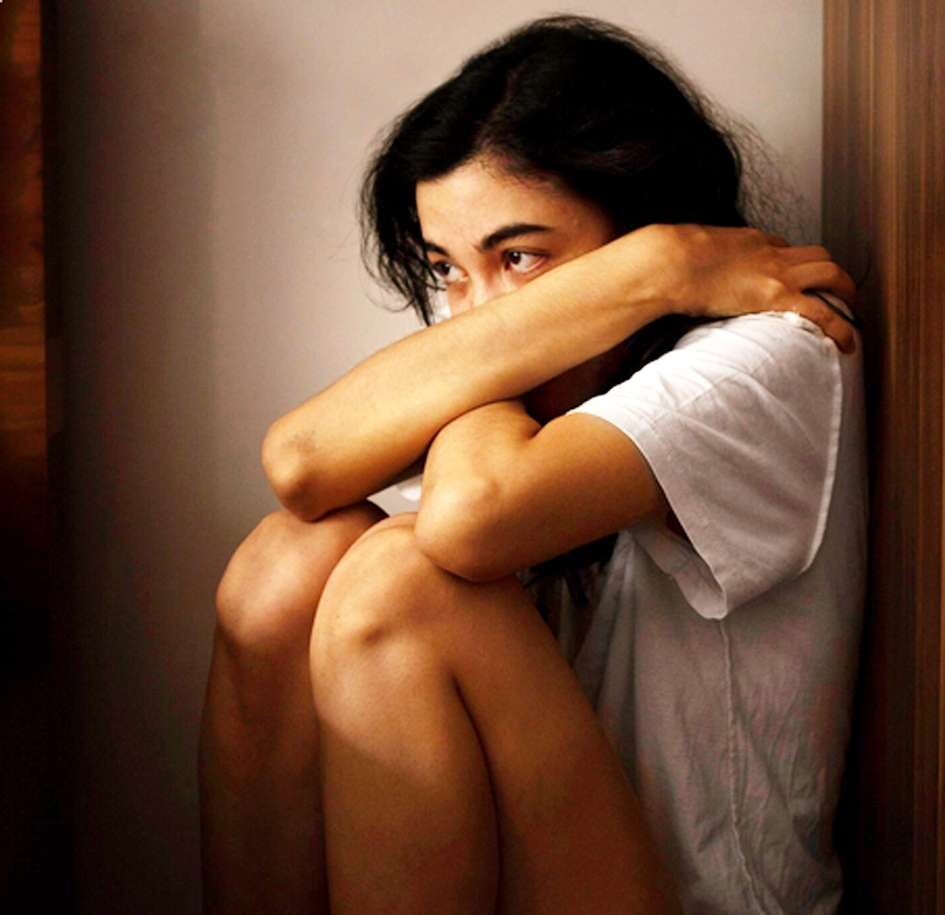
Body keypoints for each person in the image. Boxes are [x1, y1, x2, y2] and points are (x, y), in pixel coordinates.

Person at [198, 15, 866, 915]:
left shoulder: (781, 346)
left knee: (401, 583)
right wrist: (655, 266)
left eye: (520, 256)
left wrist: (648, 267)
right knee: (285, 565)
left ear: (642, 221)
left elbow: (471, 518)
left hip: (697, 899)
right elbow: (299, 462)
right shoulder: (560, 359)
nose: (478, 312)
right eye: (448, 269)